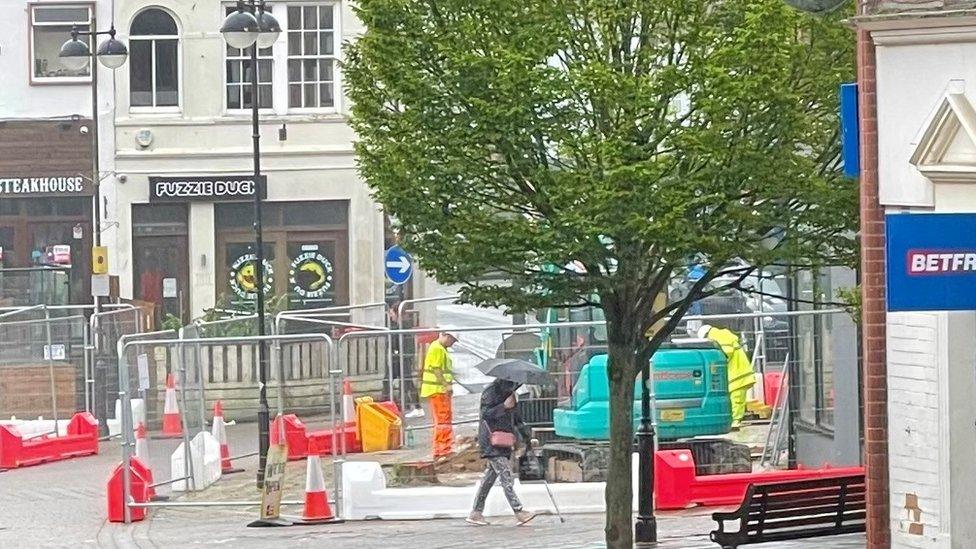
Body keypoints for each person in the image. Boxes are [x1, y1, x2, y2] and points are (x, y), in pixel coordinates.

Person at [467, 378, 537, 527]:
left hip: (504, 441)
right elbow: (486, 414)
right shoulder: (490, 392)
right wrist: (503, 406)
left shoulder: (510, 393)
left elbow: (517, 420)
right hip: (492, 441)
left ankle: (476, 512)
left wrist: (526, 437)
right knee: (506, 476)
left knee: (488, 480)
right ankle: (519, 512)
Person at [699, 324, 756, 428]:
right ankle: (735, 419)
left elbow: (727, 352)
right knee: (735, 398)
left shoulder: (717, 336)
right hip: (738, 372)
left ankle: (735, 420)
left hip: (738, 374)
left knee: (736, 398)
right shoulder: (721, 334)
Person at [420, 331, 457, 458]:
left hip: (438, 390)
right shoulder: (437, 349)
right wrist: (446, 385)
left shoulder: (439, 348)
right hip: (439, 390)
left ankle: (439, 448)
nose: (452, 344)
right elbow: (437, 369)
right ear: (447, 336)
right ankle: (444, 449)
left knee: (442, 420)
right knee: (443, 420)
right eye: (452, 341)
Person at [386, 300, 423, 418]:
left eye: (392, 313)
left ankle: (416, 407)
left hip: (403, 357)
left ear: (397, 314)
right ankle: (401, 405)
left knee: (407, 382)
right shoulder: (400, 325)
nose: (390, 316)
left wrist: (399, 353)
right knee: (397, 381)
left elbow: (401, 343)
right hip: (399, 357)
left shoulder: (403, 326)